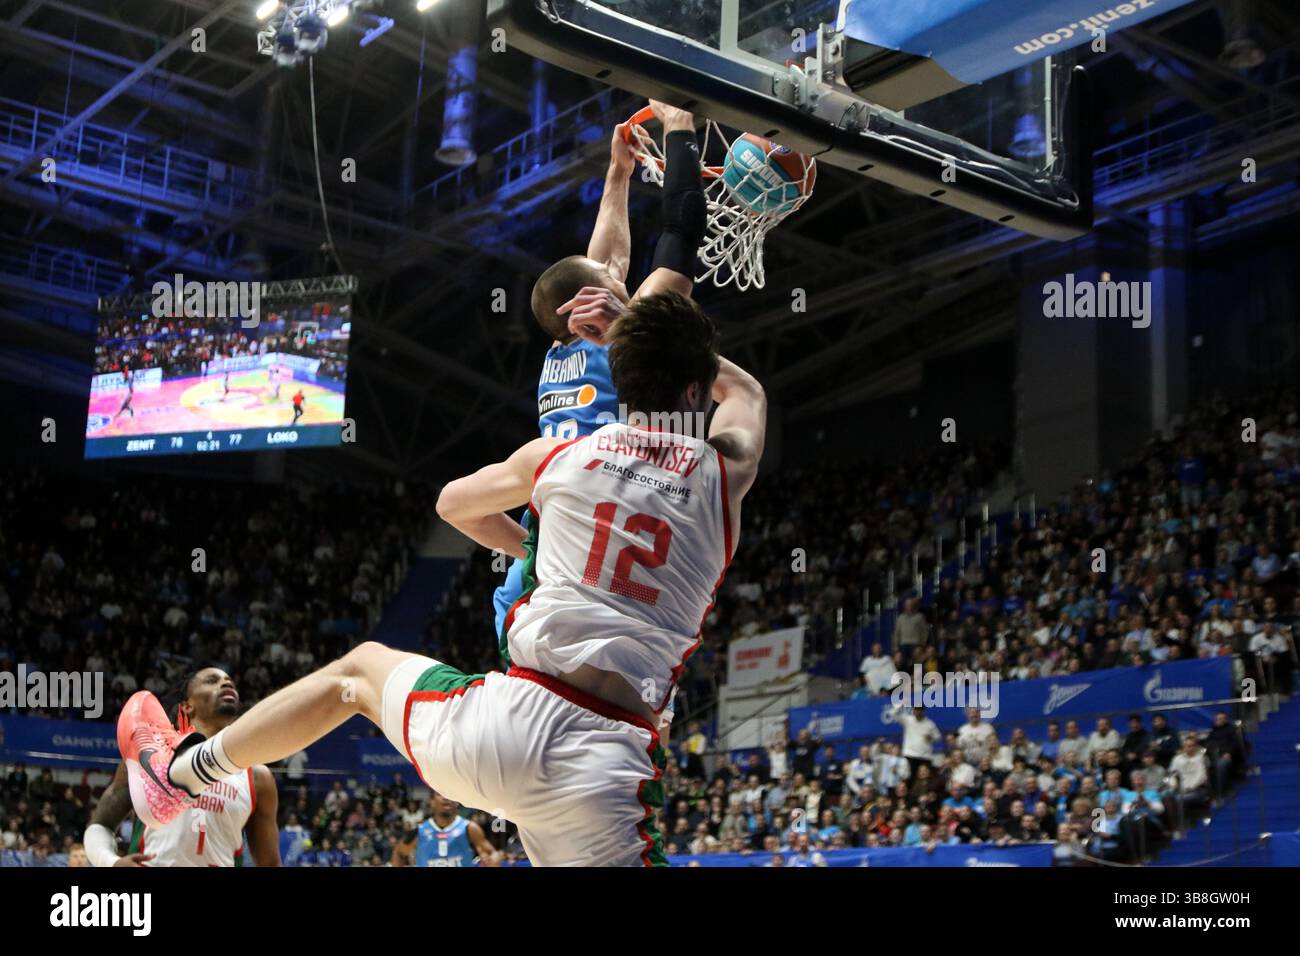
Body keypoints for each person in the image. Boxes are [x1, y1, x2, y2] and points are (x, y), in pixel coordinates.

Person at [119, 285, 763, 865]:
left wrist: (530, 551)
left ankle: (184, 774)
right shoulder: (723, 474)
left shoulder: (557, 456)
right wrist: (647, 334)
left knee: (357, 674)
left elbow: (452, 504)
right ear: (695, 391)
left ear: (621, 379)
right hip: (607, 771)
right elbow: (748, 394)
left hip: (504, 728)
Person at [90, 667, 279, 867]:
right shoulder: (150, 756)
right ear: (187, 706)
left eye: (229, 681)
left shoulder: (258, 776)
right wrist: (111, 862)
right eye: (212, 680)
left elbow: (270, 863)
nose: (226, 683)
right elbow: (100, 825)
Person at [411, 793, 500, 867]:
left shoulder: (470, 828)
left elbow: (494, 854)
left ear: (457, 801)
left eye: (450, 794)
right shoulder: (420, 830)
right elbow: (399, 853)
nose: (445, 797)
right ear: (431, 801)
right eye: (440, 794)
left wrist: (491, 862)